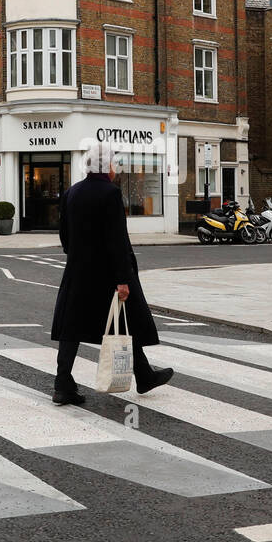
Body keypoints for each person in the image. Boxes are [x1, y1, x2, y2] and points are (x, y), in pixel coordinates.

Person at [49, 141, 174, 405]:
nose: (116, 168)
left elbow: (65, 237)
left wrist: (78, 256)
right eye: (114, 163)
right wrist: (122, 279)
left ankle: (63, 384)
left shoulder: (72, 192)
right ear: (106, 166)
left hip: (78, 272)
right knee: (124, 321)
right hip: (107, 275)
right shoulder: (110, 194)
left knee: (72, 328)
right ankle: (144, 375)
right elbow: (117, 240)